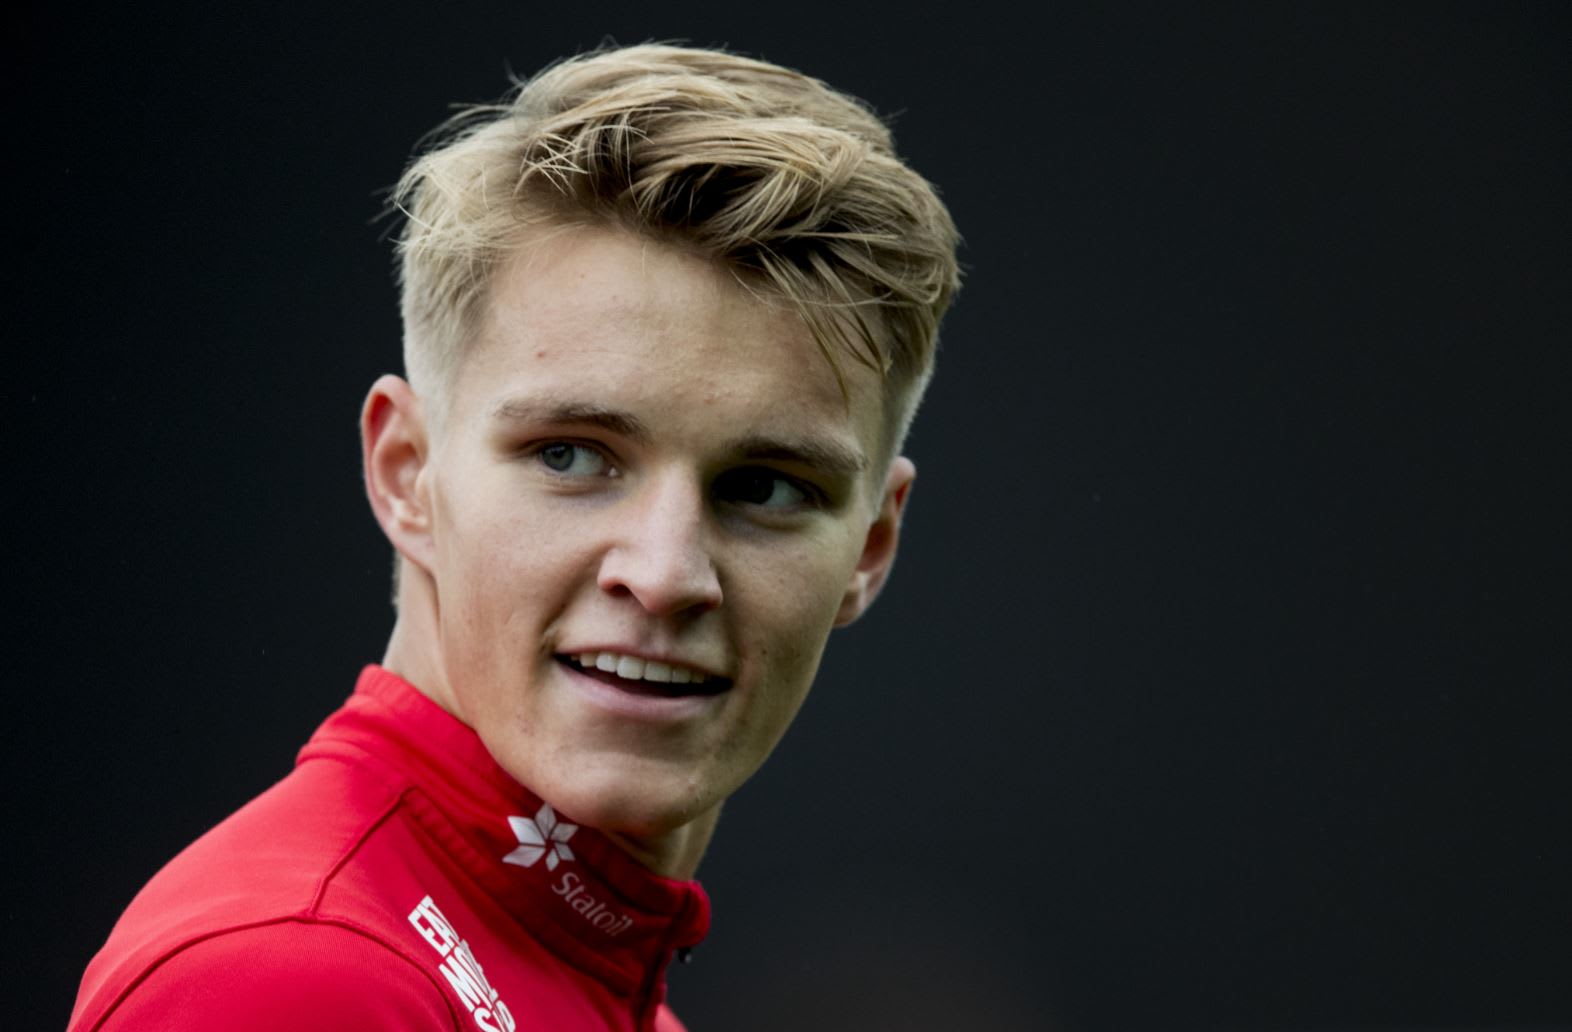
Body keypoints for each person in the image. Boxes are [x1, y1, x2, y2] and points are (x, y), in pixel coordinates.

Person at [69, 43, 960, 1031]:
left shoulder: (584, 984)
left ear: (871, 547)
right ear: (406, 473)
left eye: (763, 487)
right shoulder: (296, 979)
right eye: (570, 456)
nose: (664, 575)